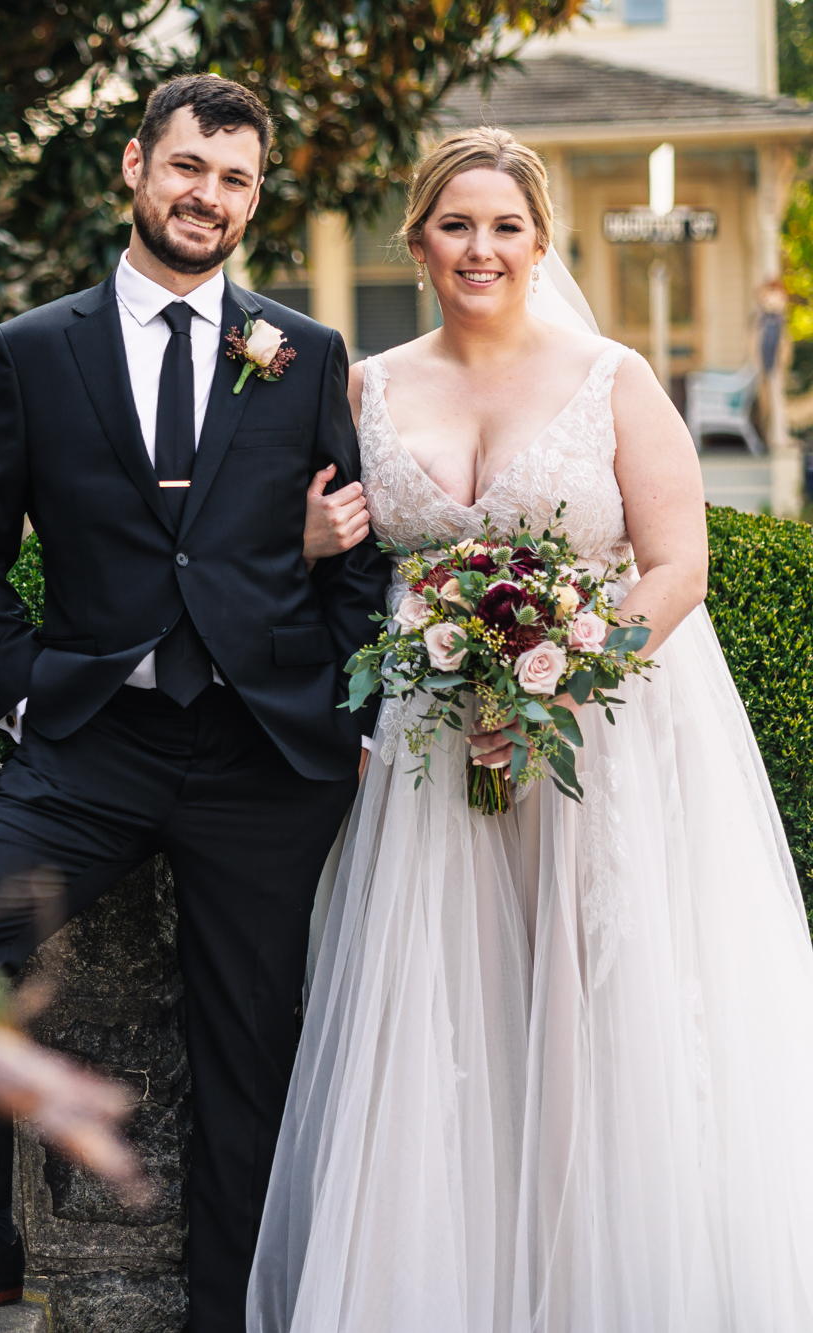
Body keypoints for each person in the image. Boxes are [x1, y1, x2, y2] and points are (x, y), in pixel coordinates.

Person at [254, 128, 813, 1331]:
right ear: (415, 241)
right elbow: (316, 558)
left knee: (591, 1008)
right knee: (441, 1014)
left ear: (540, 241)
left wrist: (560, 681)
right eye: (455, 224)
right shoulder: (363, 387)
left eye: (504, 226)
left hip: (593, 743)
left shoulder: (609, 376)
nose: (480, 248)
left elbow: (675, 566)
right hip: (422, 745)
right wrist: (303, 546)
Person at [0, 74, 388, 1329]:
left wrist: (344, 716)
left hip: (260, 765)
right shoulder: (33, 350)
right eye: (188, 167)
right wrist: (17, 689)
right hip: (92, 750)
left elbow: (361, 558)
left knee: (248, 1073)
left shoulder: (301, 352)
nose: (208, 197)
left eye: (234, 179)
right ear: (133, 166)